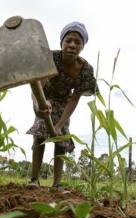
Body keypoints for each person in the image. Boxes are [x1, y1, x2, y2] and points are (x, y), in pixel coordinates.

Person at [26, 21, 99, 188]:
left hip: (64, 103)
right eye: (68, 40)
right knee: (40, 133)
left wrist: (59, 124)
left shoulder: (85, 69)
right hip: (45, 97)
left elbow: (74, 98)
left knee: (61, 139)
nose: (72, 45)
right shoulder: (50, 58)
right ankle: (34, 180)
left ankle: (56, 184)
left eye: (77, 42)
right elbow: (38, 86)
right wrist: (40, 105)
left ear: (82, 46)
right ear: (62, 42)